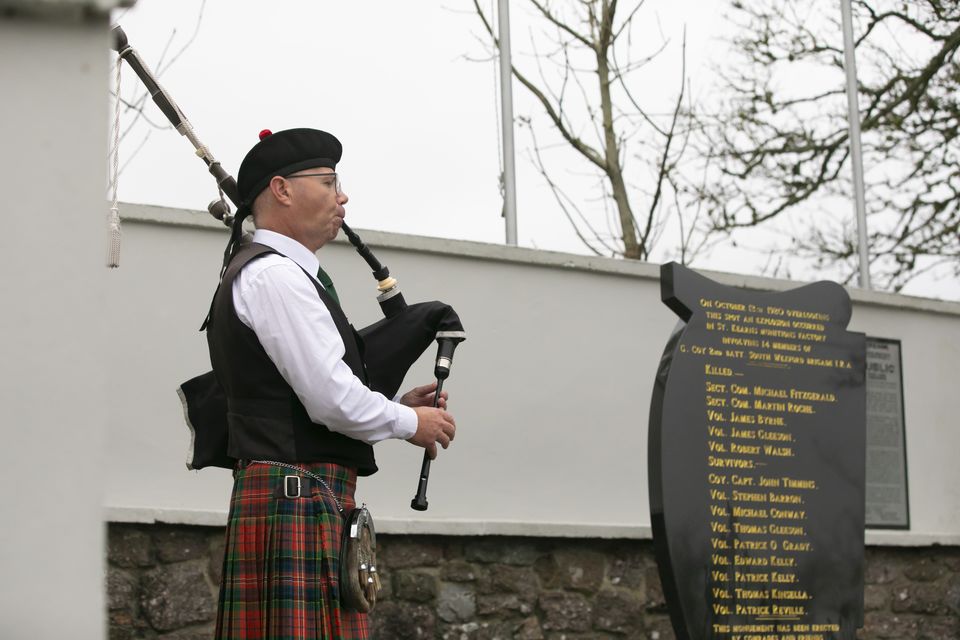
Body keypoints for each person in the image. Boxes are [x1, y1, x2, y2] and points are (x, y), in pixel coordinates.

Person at [206, 127, 456, 639]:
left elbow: (306, 399)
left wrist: (391, 404)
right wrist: (411, 422)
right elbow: (330, 400)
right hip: (295, 499)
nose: (342, 196)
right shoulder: (275, 276)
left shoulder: (281, 273)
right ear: (281, 189)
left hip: (299, 496)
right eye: (327, 181)